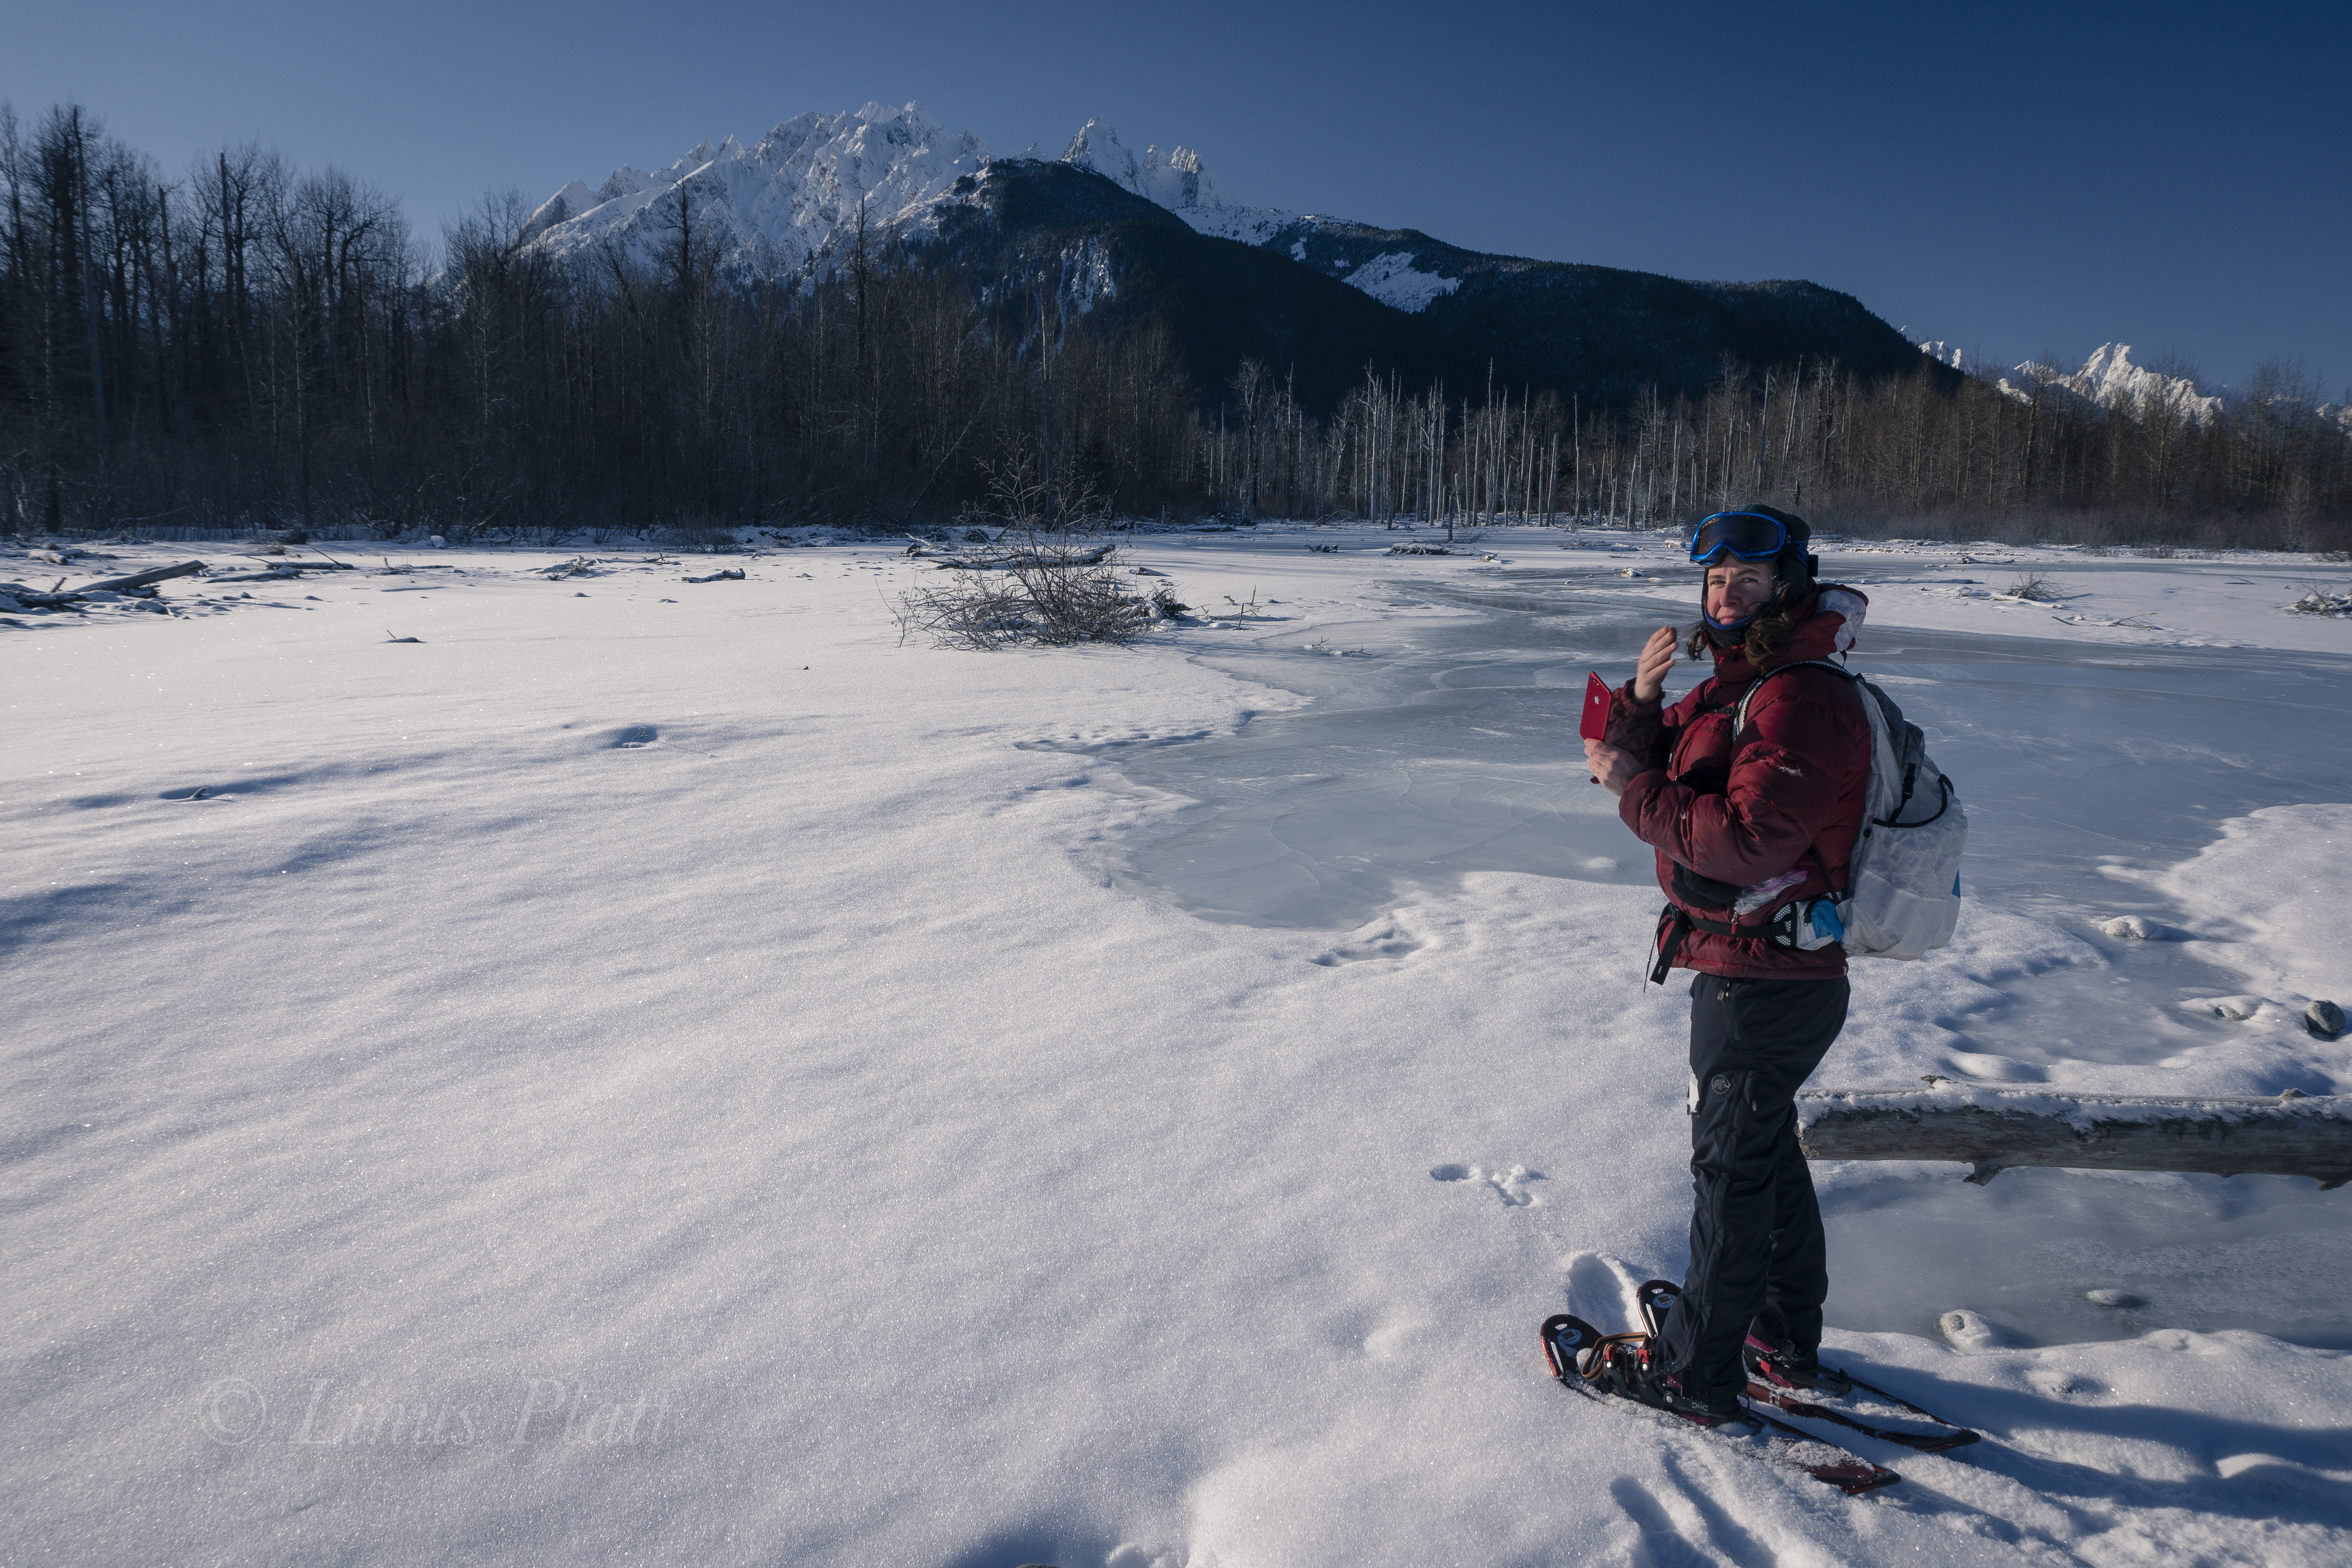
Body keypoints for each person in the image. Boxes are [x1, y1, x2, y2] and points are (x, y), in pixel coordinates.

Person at [1579, 504, 1873, 1423]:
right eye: (1714, 581)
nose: (1727, 593)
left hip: (1771, 979)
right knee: (1762, 1156)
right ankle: (1779, 1335)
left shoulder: (1801, 695)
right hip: (1744, 964)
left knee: (1731, 1173)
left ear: (1789, 586)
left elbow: (1742, 844)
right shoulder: (1740, 685)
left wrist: (1632, 788)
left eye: (1748, 579)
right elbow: (1656, 767)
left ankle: (1695, 1376)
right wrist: (1637, 704)